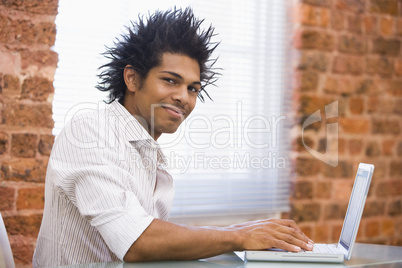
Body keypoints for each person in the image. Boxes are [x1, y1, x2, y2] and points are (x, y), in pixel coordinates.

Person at [33, 7, 313, 267]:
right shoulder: (90, 133)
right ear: (132, 79)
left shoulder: (145, 149)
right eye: (170, 80)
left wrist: (244, 235)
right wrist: (239, 235)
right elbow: (137, 242)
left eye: (193, 88)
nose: (183, 97)